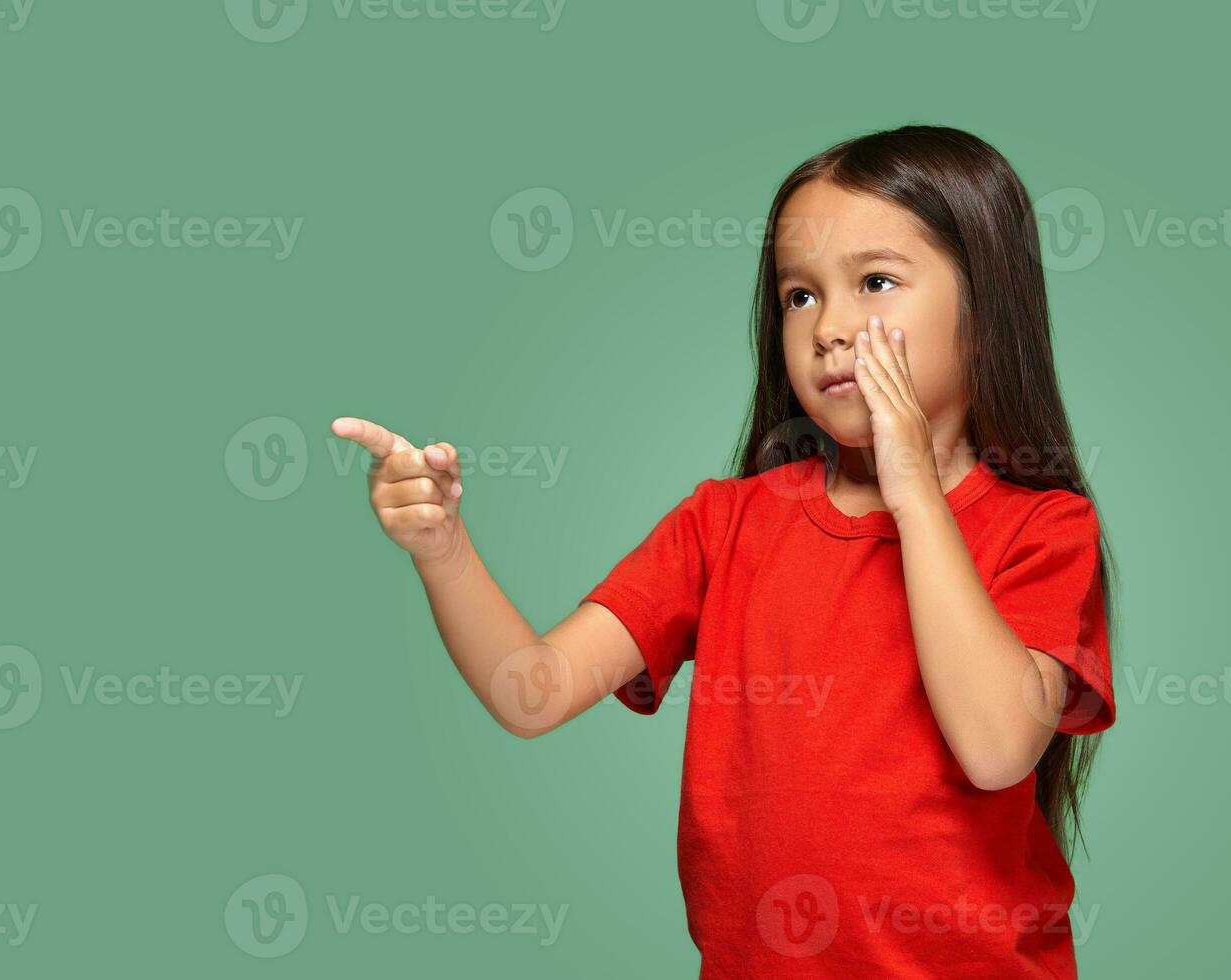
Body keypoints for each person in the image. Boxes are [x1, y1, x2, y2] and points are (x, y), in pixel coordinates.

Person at [331, 124, 1118, 978]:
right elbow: (533, 693)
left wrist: (915, 489)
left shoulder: (1044, 529)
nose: (830, 328)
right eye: (800, 296)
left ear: (986, 304)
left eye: (877, 282)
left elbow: (998, 746)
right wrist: (441, 548)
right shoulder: (725, 524)